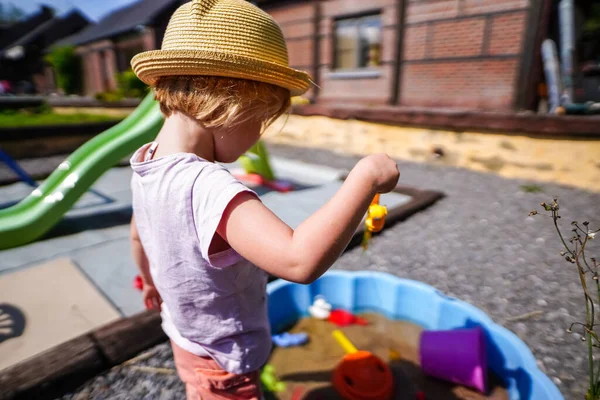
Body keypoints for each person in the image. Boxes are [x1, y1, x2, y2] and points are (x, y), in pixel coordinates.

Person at [128, 0, 399, 398]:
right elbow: (298, 260)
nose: (259, 136)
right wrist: (366, 176)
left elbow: (139, 234)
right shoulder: (207, 186)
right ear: (231, 101)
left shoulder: (145, 163)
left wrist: (150, 282)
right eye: (261, 120)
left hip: (185, 337)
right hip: (225, 360)